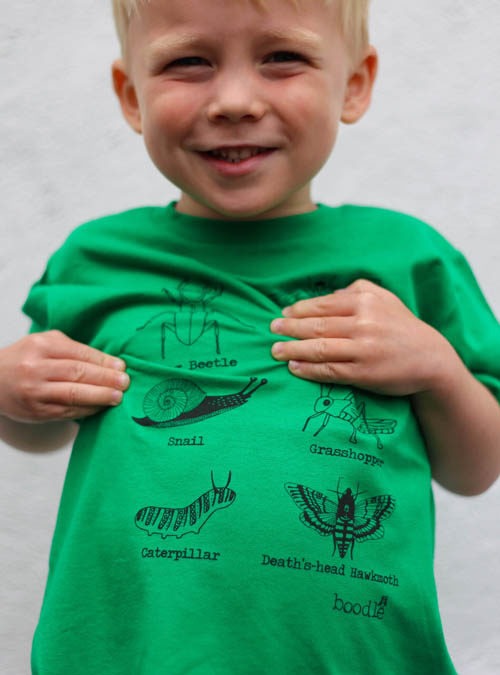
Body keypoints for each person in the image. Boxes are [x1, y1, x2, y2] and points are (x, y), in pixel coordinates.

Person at [1, 0, 499, 672]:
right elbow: (46, 429)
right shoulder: (96, 260)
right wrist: (11, 392)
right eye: (188, 62)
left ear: (353, 83)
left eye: (282, 58)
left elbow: (477, 467)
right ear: (131, 96)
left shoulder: (410, 260)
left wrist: (437, 367)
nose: (234, 99)